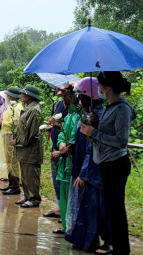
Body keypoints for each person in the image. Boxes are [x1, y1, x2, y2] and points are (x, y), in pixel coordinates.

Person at [81, 71, 135, 255]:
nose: (99, 89)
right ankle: (119, 248)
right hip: (106, 163)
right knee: (112, 210)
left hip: (116, 164)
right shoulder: (111, 107)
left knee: (116, 210)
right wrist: (96, 123)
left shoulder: (121, 109)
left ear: (107, 88)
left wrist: (93, 133)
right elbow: (109, 131)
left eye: (100, 86)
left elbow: (121, 140)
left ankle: (122, 250)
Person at [65, 77, 112, 252]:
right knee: (87, 207)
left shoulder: (97, 117)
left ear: (88, 96)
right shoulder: (88, 115)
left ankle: (102, 242)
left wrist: (84, 173)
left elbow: (91, 149)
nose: (78, 100)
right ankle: (86, 240)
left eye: (80, 96)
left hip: (93, 171)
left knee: (95, 208)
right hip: (84, 168)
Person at [12, 85, 43, 208]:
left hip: (30, 149)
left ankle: (34, 199)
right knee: (25, 173)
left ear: (30, 96)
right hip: (24, 148)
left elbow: (30, 132)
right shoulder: (28, 108)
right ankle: (27, 196)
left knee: (31, 175)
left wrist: (18, 141)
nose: (22, 96)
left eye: (24, 94)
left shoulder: (34, 110)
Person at [55, 91, 80, 232]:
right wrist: (61, 144)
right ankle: (66, 227)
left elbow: (78, 140)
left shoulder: (78, 116)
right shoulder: (69, 115)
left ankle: (72, 228)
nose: (64, 99)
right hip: (64, 162)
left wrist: (67, 148)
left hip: (72, 162)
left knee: (72, 197)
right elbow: (61, 136)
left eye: (66, 96)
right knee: (64, 195)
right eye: (63, 96)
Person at [43, 87, 70, 219]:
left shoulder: (73, 109)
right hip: (56, 145)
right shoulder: (60, 104)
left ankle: (65, 211)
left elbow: (69, 128)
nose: (63, 97)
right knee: (56, 179)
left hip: (65, 149)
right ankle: (60, 207)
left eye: (65, 95)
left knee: (64, 180)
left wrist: (57, 124)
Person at [0, 86, 23, 193]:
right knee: (9, 161)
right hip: (6, 136)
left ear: (11, 97)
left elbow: (16, 122)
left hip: (12, 136)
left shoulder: (18, 108)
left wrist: (2, 122)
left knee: (13, 162)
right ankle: (11, 184)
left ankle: (15, 186)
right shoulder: (12, 106)